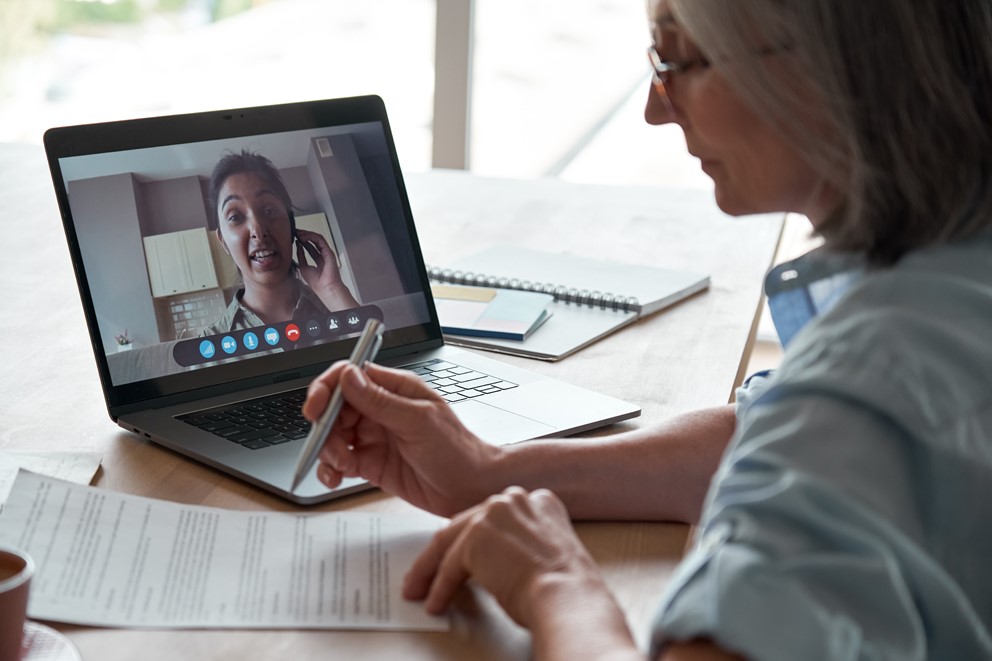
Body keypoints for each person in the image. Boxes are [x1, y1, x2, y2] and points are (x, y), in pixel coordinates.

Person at [302, 0, 992, 658]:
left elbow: (829, 427)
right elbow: (766, 431)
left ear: (826, 61)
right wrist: (489, 471)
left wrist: (555, 584)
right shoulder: (948, 284)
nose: (655, 107)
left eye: (675, 58)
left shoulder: (870, 374)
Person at [202, 150, 359, 336]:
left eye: (269, 211)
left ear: (291, 224)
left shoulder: (334, 309)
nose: (258, 230)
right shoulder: (211, 342)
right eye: (235, 217)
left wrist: (333, 292)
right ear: (224, 242)